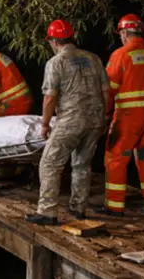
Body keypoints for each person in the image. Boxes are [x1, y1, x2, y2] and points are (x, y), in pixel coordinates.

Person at [25, 20, 109, 225]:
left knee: (49, 163)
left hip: (71, 120)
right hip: (95, 120)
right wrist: (105, 116)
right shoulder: (93, 58)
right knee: (82, 164)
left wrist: (45, 124)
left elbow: (50, 97)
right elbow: (107, 92)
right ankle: (78, 208)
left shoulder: (56, 62)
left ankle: (47, 212)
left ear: (53, 41)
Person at [95, 14, 144, 217]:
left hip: (129, 117)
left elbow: (109, 90)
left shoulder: (121, 55)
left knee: (116, 158)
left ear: (125, 33)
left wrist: (104, 114)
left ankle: (114, 206)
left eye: (121, 34)